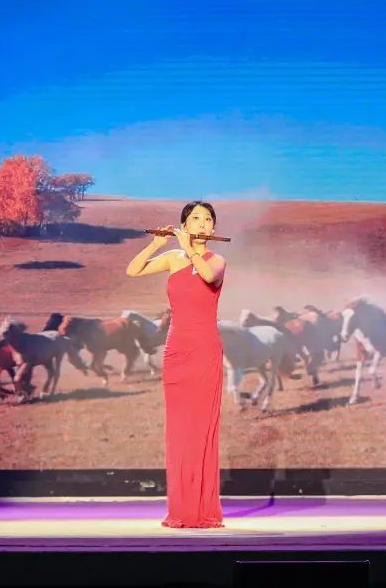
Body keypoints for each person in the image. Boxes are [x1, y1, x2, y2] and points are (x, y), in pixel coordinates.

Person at [125, 201, 227, 528]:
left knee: (201, 428)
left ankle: (203, 508)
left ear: (213, 228)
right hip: (176, 352)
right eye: (195, 218)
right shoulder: (173, 258)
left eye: (207, 219)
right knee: (179, 430)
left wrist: (191, 250)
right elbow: (133, 270)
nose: (202, 223)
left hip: (205, 350)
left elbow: (208, 277)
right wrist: (156, 244)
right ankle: (181, 508)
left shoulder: (217, 260)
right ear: (184, 225)